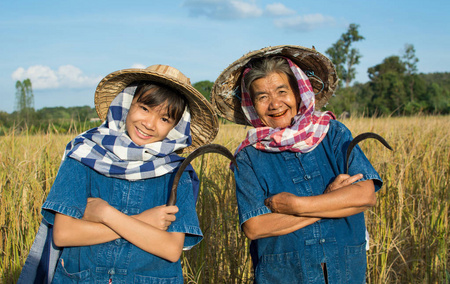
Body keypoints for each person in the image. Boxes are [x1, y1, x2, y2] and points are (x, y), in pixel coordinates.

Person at [19, 64, 218, 283]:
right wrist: (144, 222)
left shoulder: (176, 172)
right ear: (126, 104)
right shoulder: (84, 154)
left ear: (175, 127)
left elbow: (171, 249)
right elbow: (64, 234)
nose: (149, 124)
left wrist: (105, 214)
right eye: (144, 108)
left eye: (164, 119)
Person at [211, 45, 382, 284]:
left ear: (299, 92)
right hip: (283, 275)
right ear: (252, 104)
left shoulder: (333, 133)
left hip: (345, 272)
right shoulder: (248, 156)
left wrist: (294, 205)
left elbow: (364, 197)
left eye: (282, 92)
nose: (274, 104)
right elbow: (255, 226)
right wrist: (332, 199)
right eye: (262, 97)